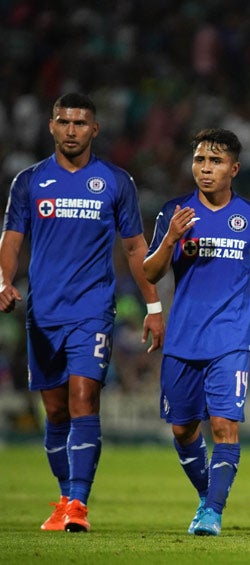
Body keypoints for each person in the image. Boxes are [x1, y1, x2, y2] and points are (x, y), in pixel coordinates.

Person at [0, 92, 165, 533]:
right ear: (51, 126)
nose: (71, 130)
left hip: (92, 310)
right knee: (54, 412)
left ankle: (78, 503)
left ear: (95, 129)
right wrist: (3, 281)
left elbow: (135, 247)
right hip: (44, 311)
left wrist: (153, 305)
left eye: (80, 123)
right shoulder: (29, 182)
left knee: (83, 399)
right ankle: (64, 497)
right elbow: (12, 239)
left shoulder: (115, 181)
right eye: (63, 122)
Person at [143, 128, 250, 536]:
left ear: (235, 169)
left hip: (230, 340)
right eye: (200, 160)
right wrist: (172, 237)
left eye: (215, 162)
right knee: (183, 430)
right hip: (182, 339)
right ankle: (208, 496)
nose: (205, 169)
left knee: (225, 426)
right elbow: (150, 271)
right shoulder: (175, 212)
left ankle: (212, 512)